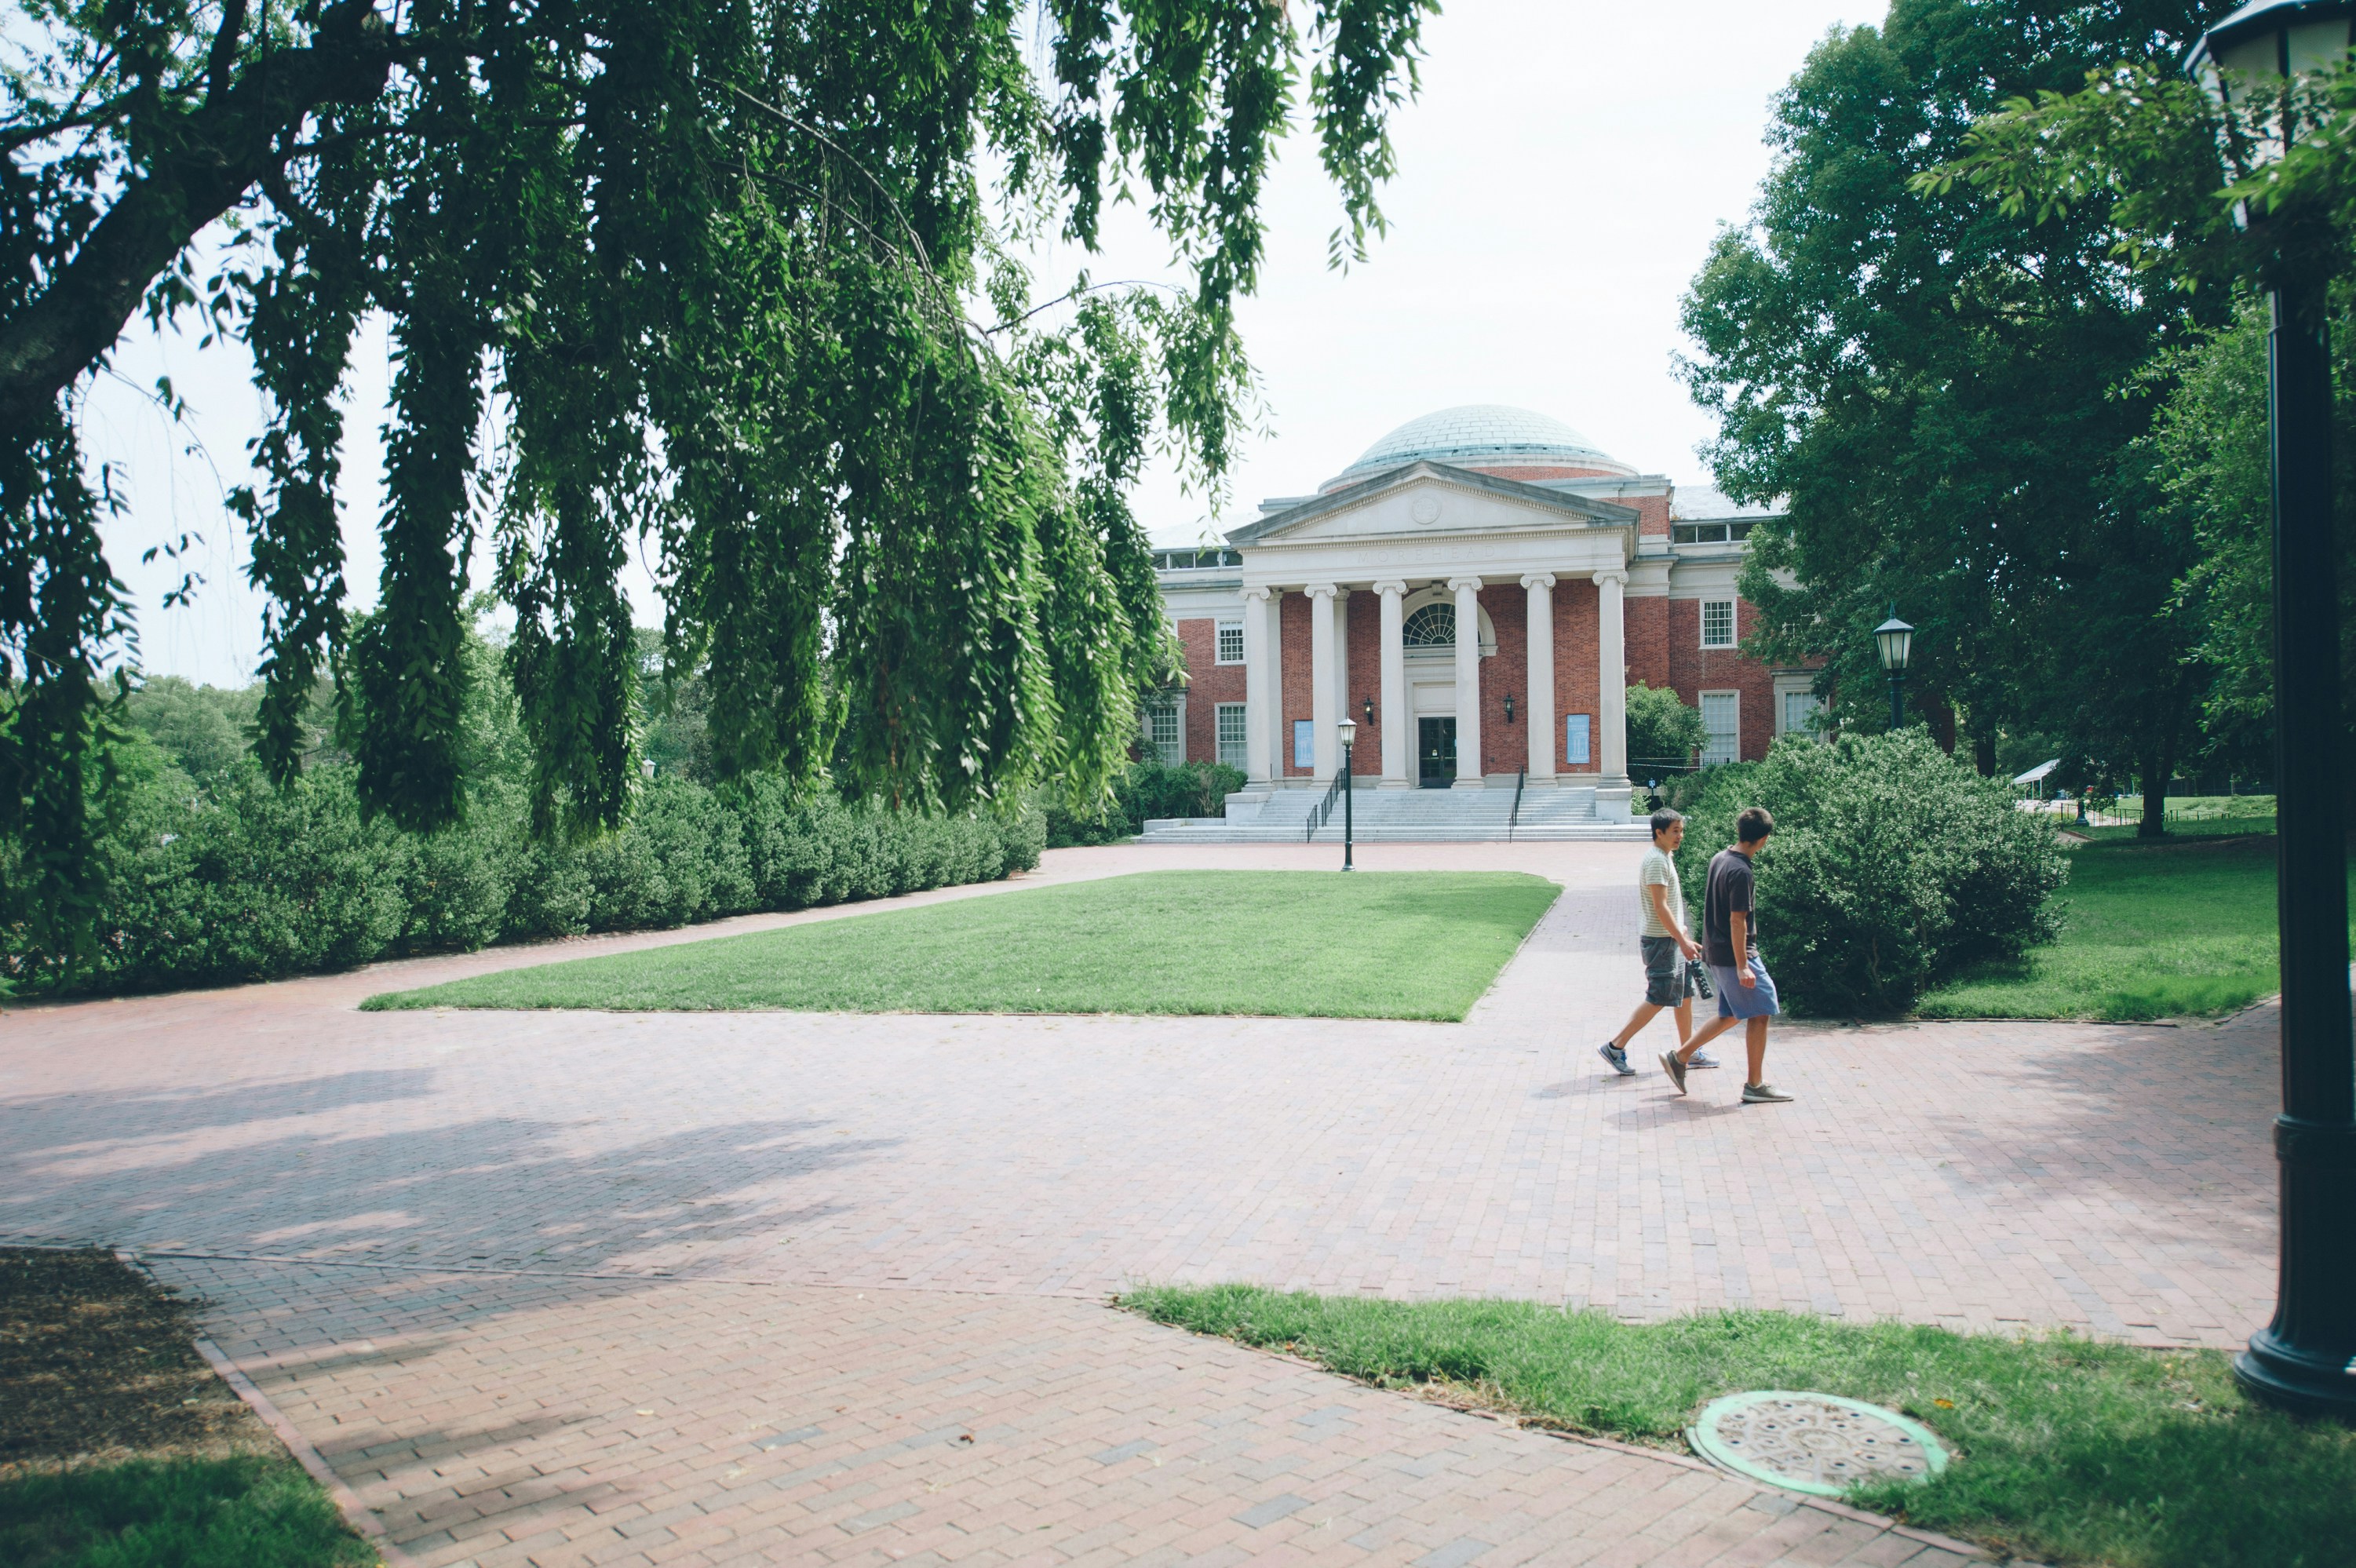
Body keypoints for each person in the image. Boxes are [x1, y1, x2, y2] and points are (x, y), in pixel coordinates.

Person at [1660, 805, 1793, 1104]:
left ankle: (1679, 1057)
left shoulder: (1721, 858)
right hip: (1736, 956)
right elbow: (1737, 921)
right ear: (1764, 839)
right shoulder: (1741, 871)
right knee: (1762, 1011)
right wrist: (1744, 966)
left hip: (1718, 953)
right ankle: (1754, 1085)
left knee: (1731, 1013)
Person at [1597, 808, 1719, 1077]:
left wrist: (1682, 934)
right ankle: (1615, 1047)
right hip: (1661, 942)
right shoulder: (1655, 861)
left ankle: (1688, 1050)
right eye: (1675, 831)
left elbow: (1669, 908)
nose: (1680, 836)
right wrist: (1682, 940)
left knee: (1684, 995)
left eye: (1681, 830)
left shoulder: (1665, 856)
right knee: (1659, 997)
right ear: (1659, 833)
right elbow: (1660, 907)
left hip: (1671, 939)